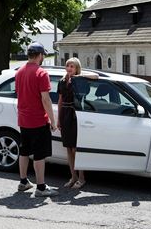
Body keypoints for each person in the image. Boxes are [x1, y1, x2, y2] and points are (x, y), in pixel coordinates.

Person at [15, 42, 58, 197]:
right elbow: (45, 100)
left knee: (24, 150)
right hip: (38, 120)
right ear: (40, 55)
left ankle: (23, 181)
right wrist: (53, 121)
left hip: (23, 119)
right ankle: (41, 187)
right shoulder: (41, 73)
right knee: (39, 154)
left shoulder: (19, 71)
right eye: (43, 55)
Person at [57, 57, 98, 189]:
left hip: (76, 115)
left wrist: (79, 75)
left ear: (77, 68)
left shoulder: (80, 81)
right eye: (68, 66)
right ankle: (73, 176)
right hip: (65, 114)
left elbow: (96, 76)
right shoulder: (62, 81)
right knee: (68, 148)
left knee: (76, 148)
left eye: (72, 66)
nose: (69, 68)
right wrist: (58, 119)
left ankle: (81, 178)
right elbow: (60, 101)